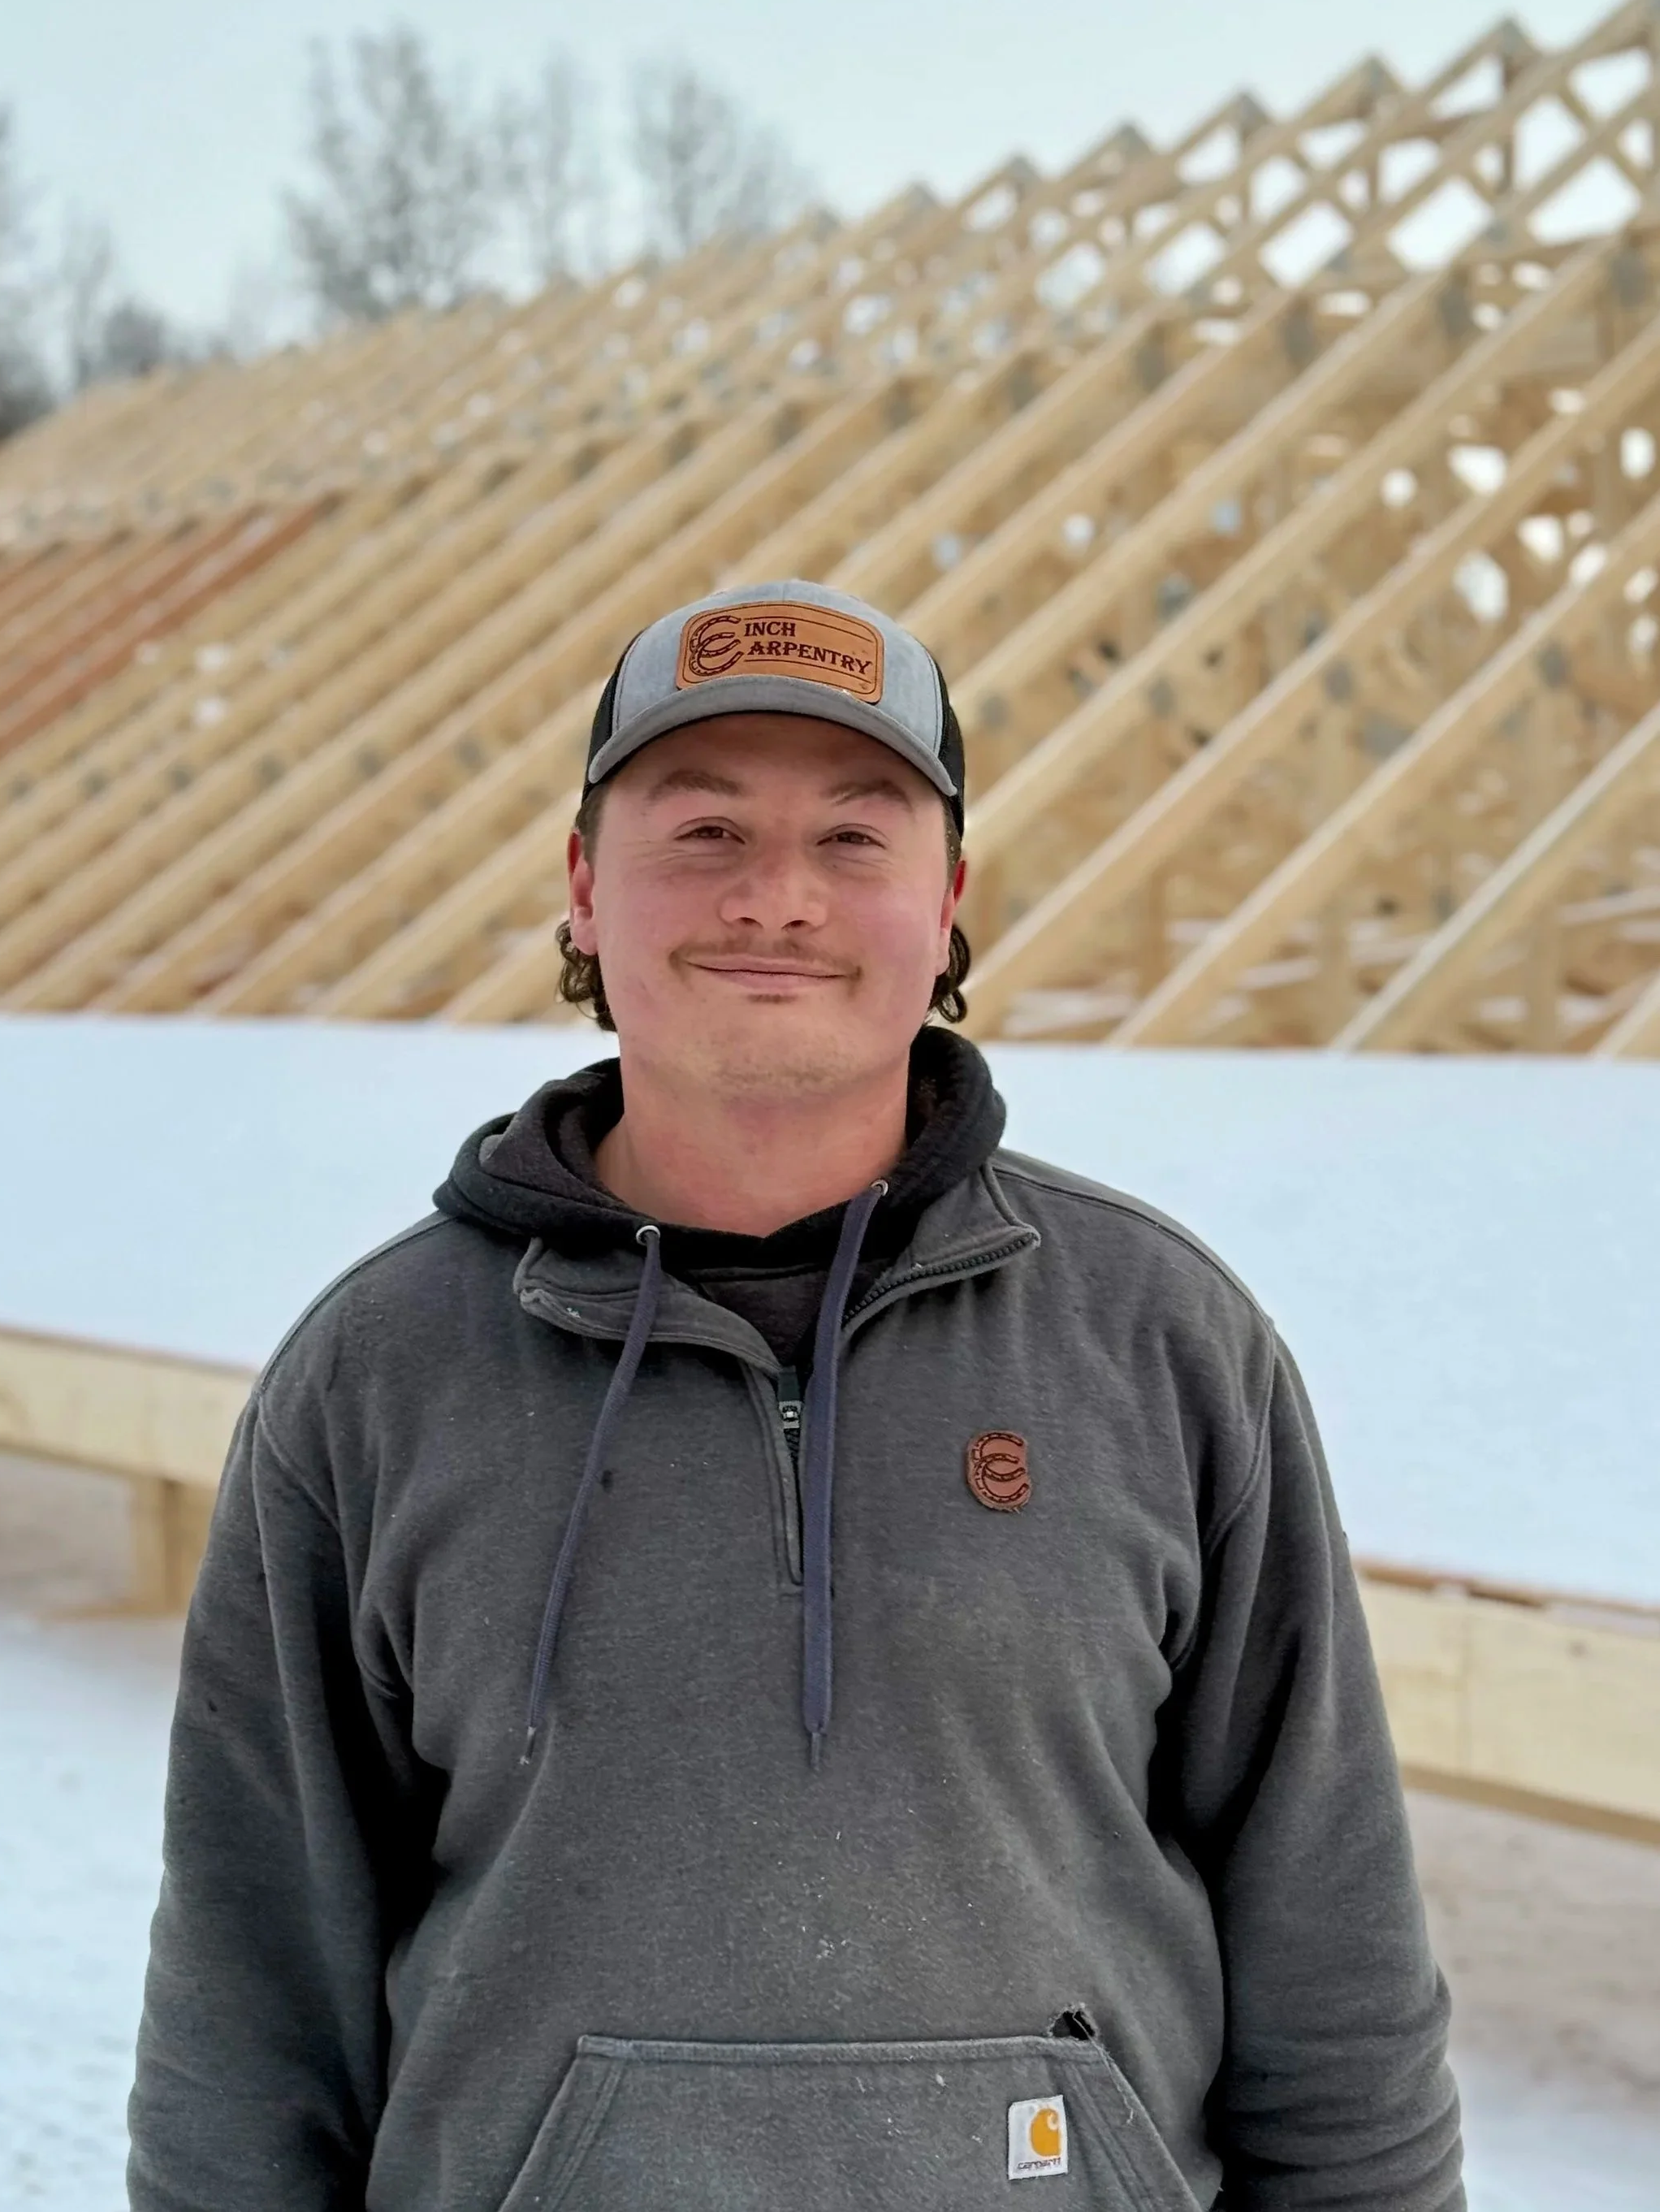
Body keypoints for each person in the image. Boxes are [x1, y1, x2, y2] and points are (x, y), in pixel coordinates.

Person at [128, 578, 1463, 2211]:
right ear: (579, 890)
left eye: (854, 836)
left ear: (948, 900)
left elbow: (1329, 1943)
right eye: (700, 830)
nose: (775, 897)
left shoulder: (1159, 1340)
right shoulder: (379, 1374)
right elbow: (250, 1988)